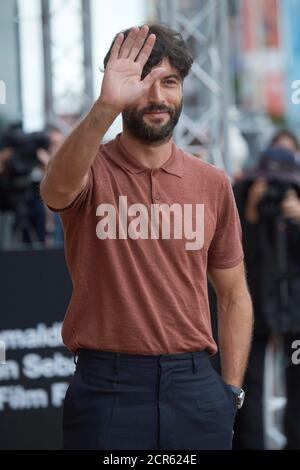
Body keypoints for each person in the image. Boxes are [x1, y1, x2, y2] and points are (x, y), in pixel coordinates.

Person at [40, 24, 253, 450]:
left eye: (169, 82)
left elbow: (233, 296)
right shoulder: (90, 169)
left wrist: (229, 391)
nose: (157, 98)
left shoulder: (212, 183)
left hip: (195, 384)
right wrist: (105, 105)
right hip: (108, 386)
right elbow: (54, 190)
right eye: (142, 83)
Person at [233, 131, 300, 449]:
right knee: (250, 386)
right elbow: (234, 259)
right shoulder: (243, 195)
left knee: (298, 381)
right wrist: (251, 215)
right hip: (255, 312)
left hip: (295, 315)